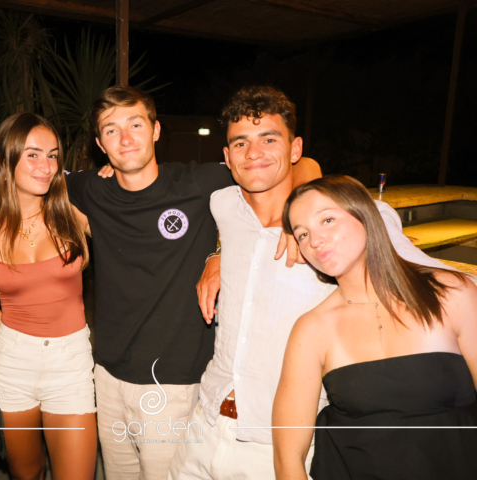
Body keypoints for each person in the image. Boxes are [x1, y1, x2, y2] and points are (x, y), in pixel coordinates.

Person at [168, 85, 468, 480]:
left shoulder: (346, 221)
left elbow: (435, 279)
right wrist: (217, 255)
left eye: (269, 139)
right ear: (226, 156)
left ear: (295, 149)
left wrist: (301, 220)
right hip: (204, 424)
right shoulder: (223, 204)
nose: (253, 153)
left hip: (277, 442)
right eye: (241, 143)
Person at [65, 85, 320, 480]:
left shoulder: (199, 184)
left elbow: (295, 166)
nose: (126, 138)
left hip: (172, 382)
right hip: (108, 377)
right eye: (112, 130)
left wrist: (297, 208)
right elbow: (33, 181)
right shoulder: (91, 188)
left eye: (136, 124)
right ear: (100, 144)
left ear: (156, 130)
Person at [273, 175, 477, 480]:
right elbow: (287, 458)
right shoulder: (312, 330)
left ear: (366, 216)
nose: (314, 241)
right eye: (302, 234)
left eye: (327, 220)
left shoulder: (451, 294)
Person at [0, 113, 97, 480]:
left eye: (53, 155)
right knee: (27, 473)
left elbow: (136, 234)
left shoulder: (73, 211)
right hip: (12, 363)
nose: (47, 166)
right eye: (33, 155)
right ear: (3, 161)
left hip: (70, 363)